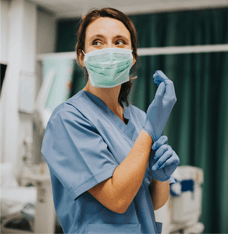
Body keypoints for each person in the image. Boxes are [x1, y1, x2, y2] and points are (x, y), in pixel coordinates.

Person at [41, 7, 179, 234]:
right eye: (97, 42)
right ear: (81, 57)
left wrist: (160, 177)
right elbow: (117, 199)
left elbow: (152, 202)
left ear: (132, 56)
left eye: (120, 42)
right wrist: (149, 131)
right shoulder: (67, 118)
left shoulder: (139, 118)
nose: (109, 50)